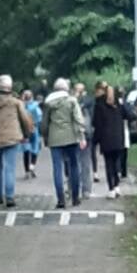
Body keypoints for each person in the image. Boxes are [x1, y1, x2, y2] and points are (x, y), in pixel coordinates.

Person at [0, 75, 33, 208]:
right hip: (12, 139)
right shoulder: (16, 102)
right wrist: (27, 133)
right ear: (10, 87)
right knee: (10, 168)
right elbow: (25, 119)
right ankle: (9, 197)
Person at [42, 77, 86, 209]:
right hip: (71, 137)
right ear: (66, 89)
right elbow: (78, 119)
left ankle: (61, 199)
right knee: (74, 166)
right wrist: (81, 136)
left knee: (57, 168)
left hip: (55, 139)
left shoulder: (48, 103)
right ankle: (75, 198)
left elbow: (45, 123)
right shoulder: (72, 101)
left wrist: (45, 136)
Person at [92, 84, 125, 198]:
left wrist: (96, 139)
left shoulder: (99, 106)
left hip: (106, 139)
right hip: (118, 138)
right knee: (116, 163)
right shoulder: (118, 105)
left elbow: (96, 123)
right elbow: (130, 115)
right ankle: (117, 186)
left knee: (109, 164)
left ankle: (111, 188)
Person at [74, 82, 97, 196]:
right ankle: (86, 190)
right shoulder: (90, 101)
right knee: (85, 162)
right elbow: (93, 118)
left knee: (74, 163)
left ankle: (74, 189)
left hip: (74, 135)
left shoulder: (71, 101)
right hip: (87, 134)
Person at [21, 90, 43, 179]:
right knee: (35, 149)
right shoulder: (36, 106)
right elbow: (39, 118)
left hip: (24, 131)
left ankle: (27, 171)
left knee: (26, 150)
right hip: (34, 129)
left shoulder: (21, 106)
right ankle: (32, 166)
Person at [117, 86, 134, 179]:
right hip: (120, 128)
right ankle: (121, 170)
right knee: (121, 150)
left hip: (124, 127)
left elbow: (130, 115)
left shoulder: (125, 103)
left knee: (123, 150)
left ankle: (122, 170)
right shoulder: (124, 104)